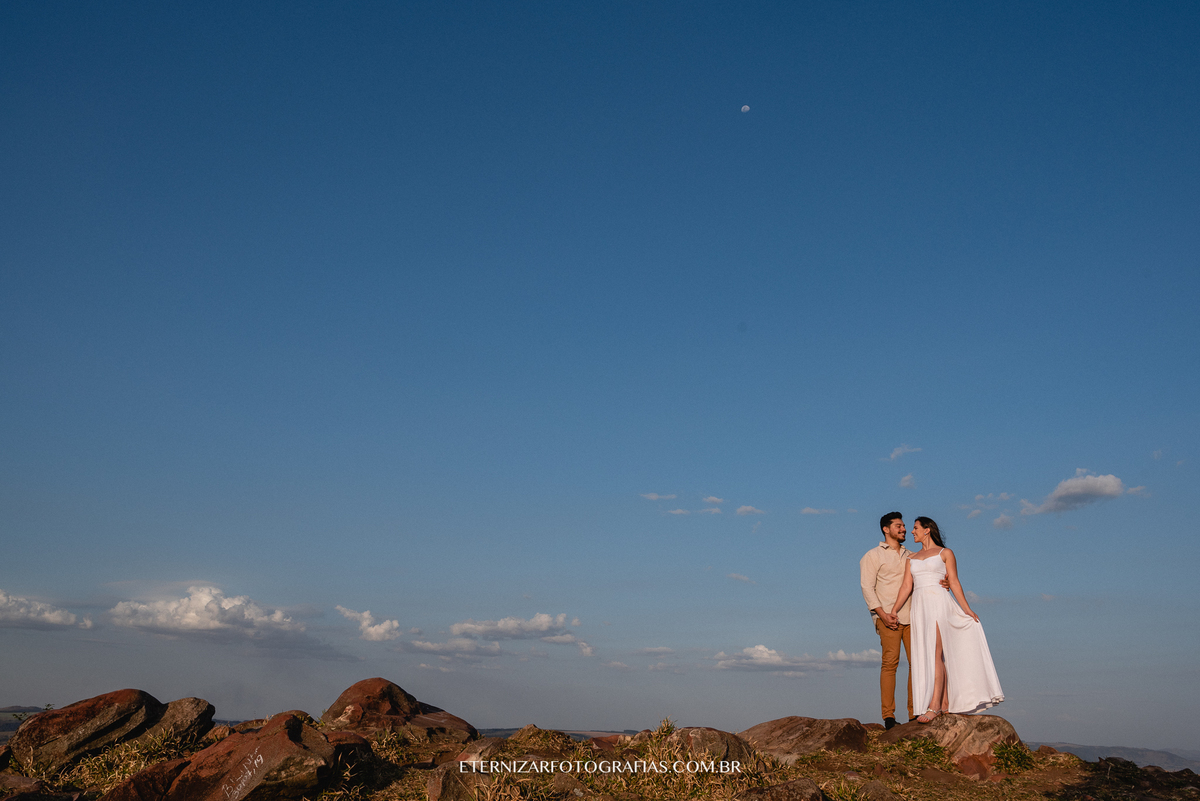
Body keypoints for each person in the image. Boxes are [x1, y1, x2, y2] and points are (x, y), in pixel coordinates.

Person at [890, 517, 1004, 722]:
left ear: (927, 530)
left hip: (939, 604)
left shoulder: (945, 553)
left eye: (915, 528)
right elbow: (906, 587)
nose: (912, 531)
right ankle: (944, 704)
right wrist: (894, 610)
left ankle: (934, 706)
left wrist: (967, 609)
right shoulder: (911, 558)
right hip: (920, 607)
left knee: (935, 653)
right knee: (927, 655)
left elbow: (954, 582)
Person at [859, 512, 915, 730]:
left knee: (917, 665)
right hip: (887, 617)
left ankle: (915, 712)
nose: (903, 529)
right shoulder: (872, 556)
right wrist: (882, 614)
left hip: (913, 616)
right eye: (899, 526)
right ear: (886, 529)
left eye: (904, 526)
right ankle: (889, 717)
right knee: (890, 664)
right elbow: (867, 587)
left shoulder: (912, 555)